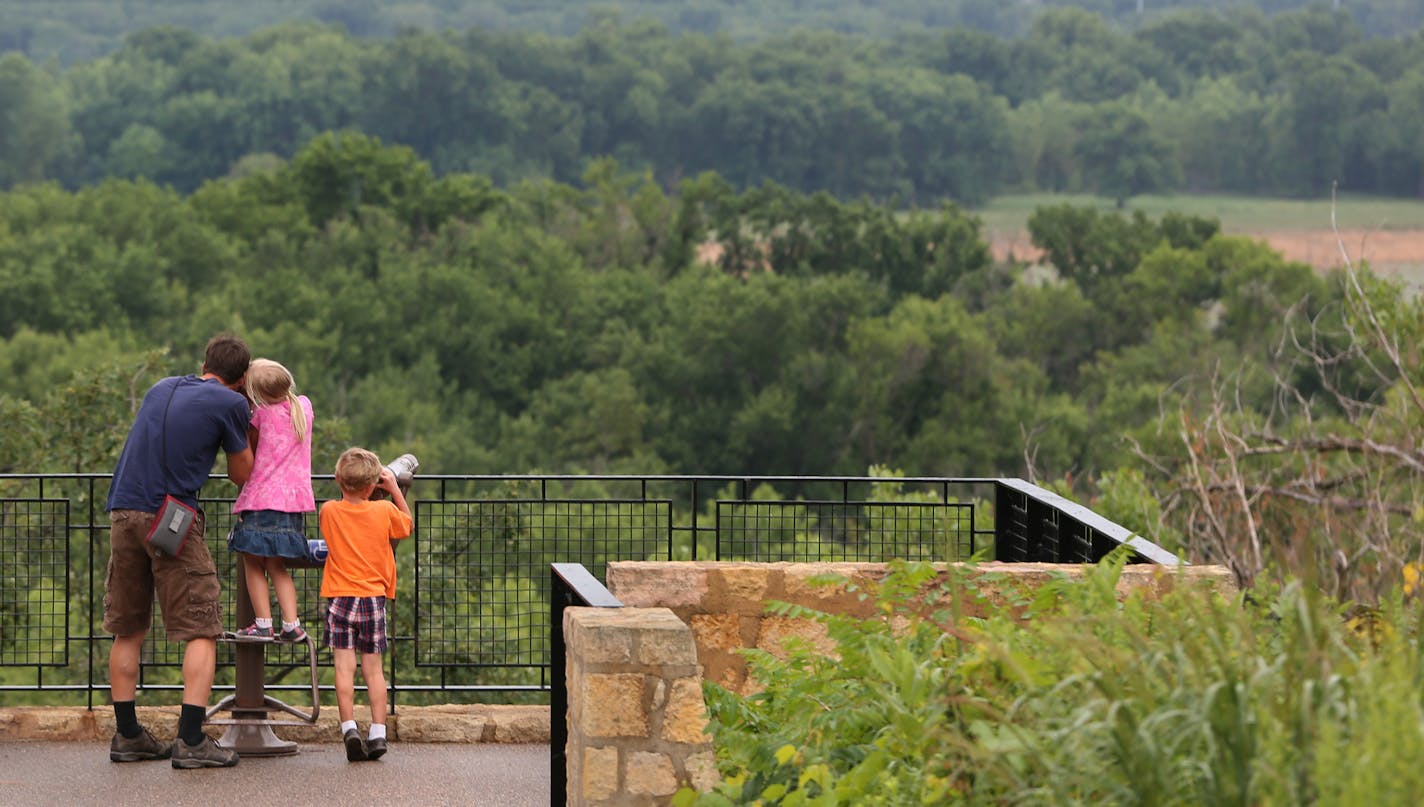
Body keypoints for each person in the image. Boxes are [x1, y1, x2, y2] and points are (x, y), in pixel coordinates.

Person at [104, 334, 254, 769]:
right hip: (170, 516)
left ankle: (128, 735)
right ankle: (191, 740)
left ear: (204, 363)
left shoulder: (161, 387)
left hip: (122, 509)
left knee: (127, 627)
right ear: (241, 379)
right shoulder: (231, 404)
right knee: (201, 627)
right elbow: (240, 474)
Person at [319, 447, 413, 762]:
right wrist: (395, 489)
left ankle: (348, 728)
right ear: (374, 485)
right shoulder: (384, 512)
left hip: (340, 597)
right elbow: (407, 526)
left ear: (337, 479)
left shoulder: (328, 511)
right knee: (373, 670)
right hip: (373, 598)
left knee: (344, 668)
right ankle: (378, 733)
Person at [228, 359, 316, 643]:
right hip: (292, 504)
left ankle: (263, 624)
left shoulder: (260, 416)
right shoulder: (304, 407)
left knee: (253, 561)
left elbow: (248, 457)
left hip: (262, 500)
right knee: (277, 565)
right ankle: (292, 624)